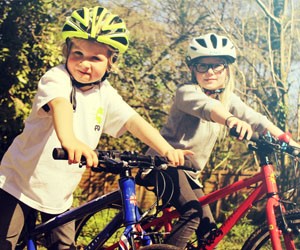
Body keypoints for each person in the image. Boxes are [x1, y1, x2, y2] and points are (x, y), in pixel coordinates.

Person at [0, 6, 193, 249]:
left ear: (111, 63)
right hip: (19, 184)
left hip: (59, 195)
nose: (84, 63)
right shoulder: (56, 78)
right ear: (67, 50)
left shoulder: (105, 94)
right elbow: (60, 106)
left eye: (95, 58)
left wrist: (166, 150)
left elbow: (133, 121)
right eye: (78, 53)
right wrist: (69, 142)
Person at [136, 32, 300, 249]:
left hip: (188, 173)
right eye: (202, 66)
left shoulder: (227, 99)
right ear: (192, 69)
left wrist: (290, 142)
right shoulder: (186, 92)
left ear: (227, 69)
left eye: (217, 66)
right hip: (163, 164)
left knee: (208, 231)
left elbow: (257, 120)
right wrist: (231, 120)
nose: (210, 72)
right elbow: (208, 108)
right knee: (193, 213)